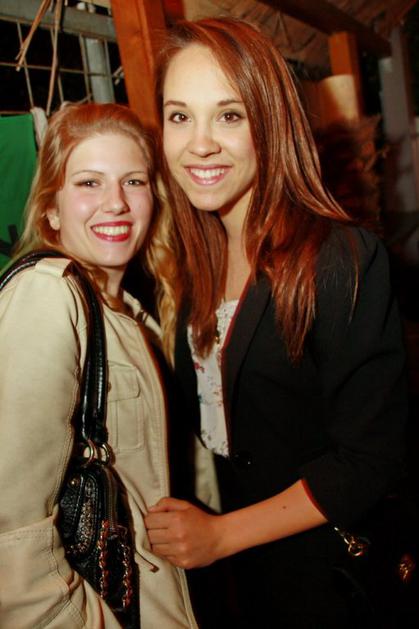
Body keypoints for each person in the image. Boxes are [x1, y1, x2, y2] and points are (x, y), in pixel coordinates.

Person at [144, 18, 409, 628]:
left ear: (271, 122)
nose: (199, 144)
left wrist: (221, 536)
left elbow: (370, 459)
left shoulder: (339, 258)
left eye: (229, 115)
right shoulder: (197, 261)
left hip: (331, 583)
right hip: (247, 585)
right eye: (180, 116)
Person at [0, 103, 197, 629]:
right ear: (51, 209)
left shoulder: (129, 313)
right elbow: (11, 535)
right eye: (89, 182)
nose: (116, 203)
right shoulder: (48, 296)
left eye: (133, 181)